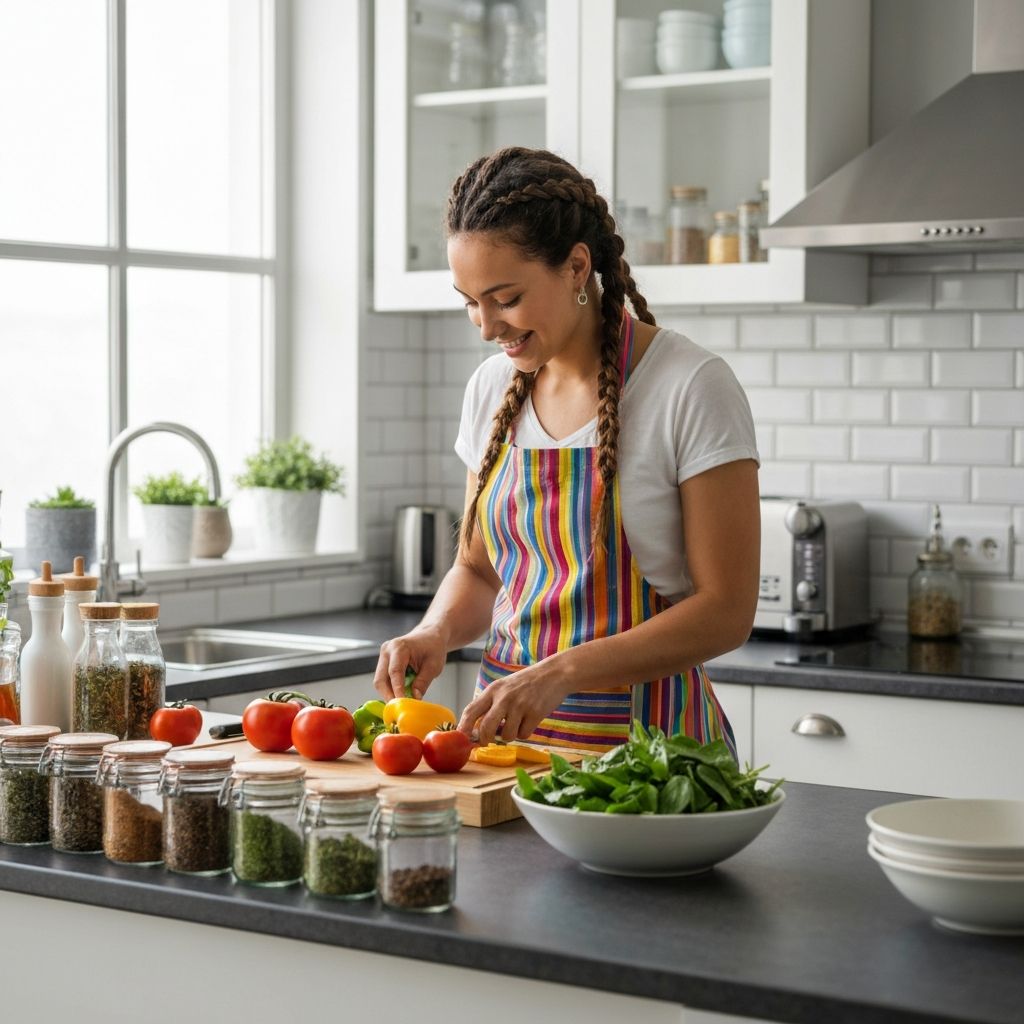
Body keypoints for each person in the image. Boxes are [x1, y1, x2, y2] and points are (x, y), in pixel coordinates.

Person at [373, 146, 760, 756]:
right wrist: (435, 632)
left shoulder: (689, 385)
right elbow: (477, 571)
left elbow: (727, 611)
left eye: (505, 298)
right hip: (504, 760)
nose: (485, 326)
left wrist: (560, 672)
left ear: (577, 267)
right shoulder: (490, 389)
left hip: (650, 768)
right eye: (470, 301)